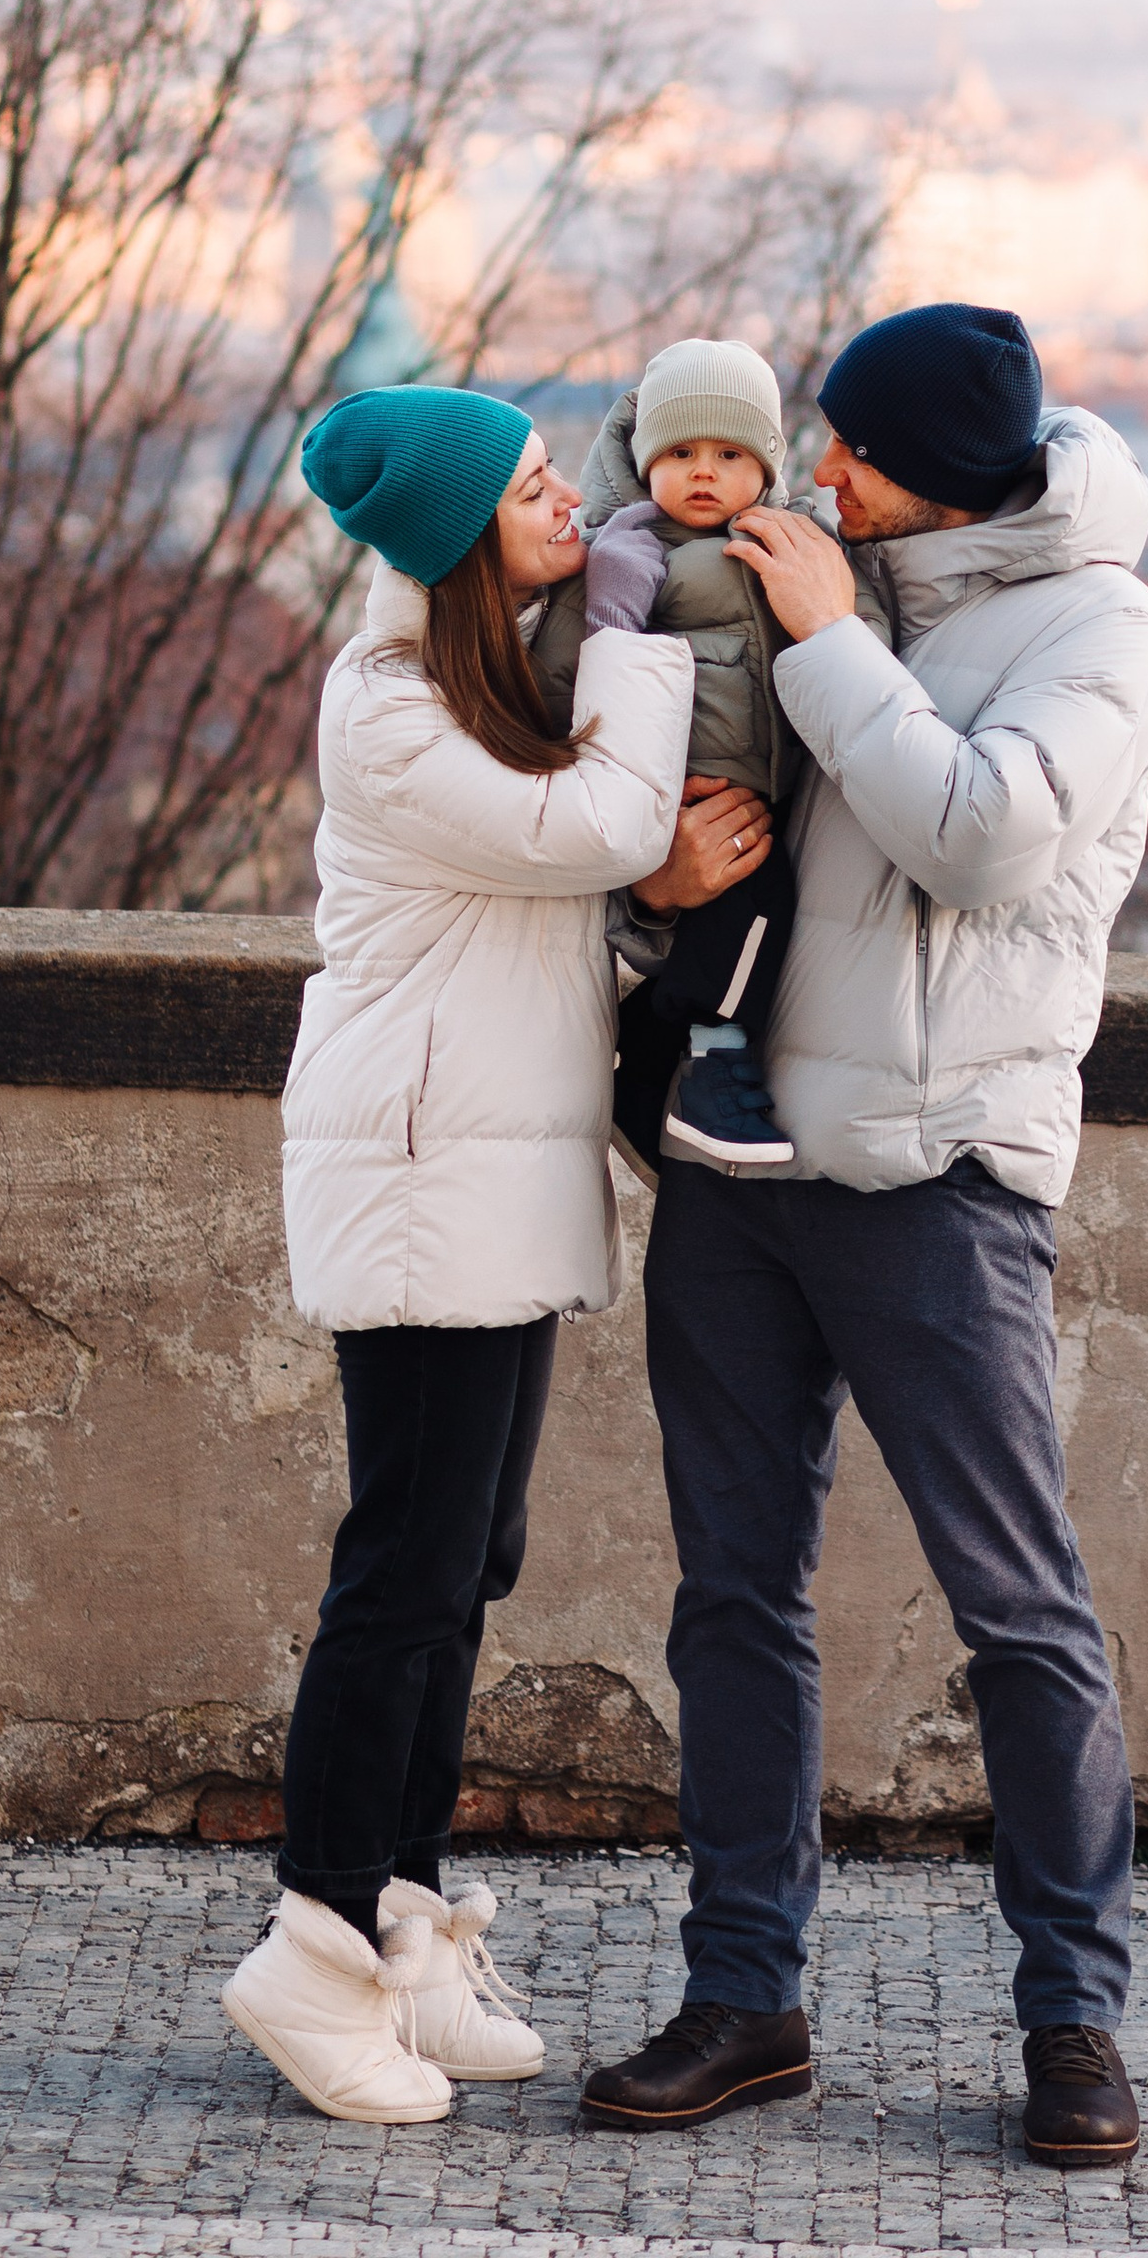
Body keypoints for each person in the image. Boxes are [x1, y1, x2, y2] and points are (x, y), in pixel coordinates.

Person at [580, 303, 1148, 2173]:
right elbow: (668, 785)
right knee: (733, 1602)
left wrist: (835, 640)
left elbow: (980, 836)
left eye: (851, 446)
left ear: (939, 462)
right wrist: (652, 865)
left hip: (940, 1176)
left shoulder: (1097, 624)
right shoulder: (810, 571)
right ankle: (743, 1998)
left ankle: (1075, 2019)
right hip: (734, 1170)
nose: (812, 471)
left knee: (1019, 1611)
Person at [218, 378, 757, 2127]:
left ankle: (396, 1912)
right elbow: (598, 832)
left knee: (466, 1561)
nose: (567, 503)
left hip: (492, 1171)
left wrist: (653, 909)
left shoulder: (485, 686)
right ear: (465, 534)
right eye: (535, 487)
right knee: (400, 1574)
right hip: (422, 1171)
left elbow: (563, 929)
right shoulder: (384, 708)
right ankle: (309, 1958)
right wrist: (636, 630)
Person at [528, 334, 886, 1178]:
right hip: (681, 802)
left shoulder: (800, 545)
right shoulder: (622, 555)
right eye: (680, 452)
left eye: (729, 453)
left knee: (764, 921)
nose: (702, 472)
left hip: (774, 800)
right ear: (645, 460)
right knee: (751, 904)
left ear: (765, 465)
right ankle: (713, 1064)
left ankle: (657, 1065)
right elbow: (558, 683)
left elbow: (863, 634)